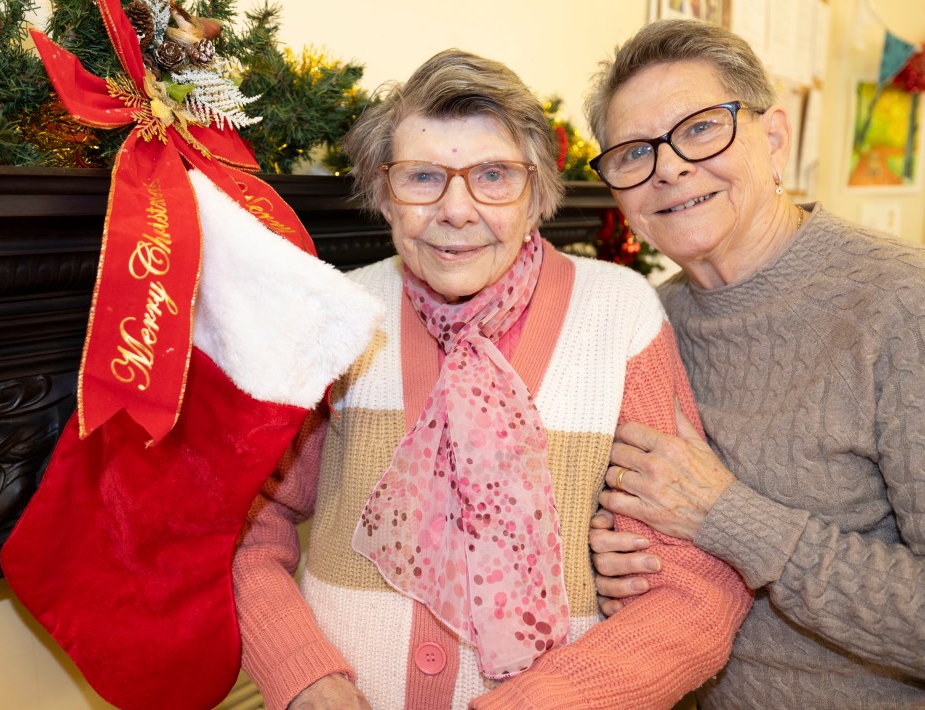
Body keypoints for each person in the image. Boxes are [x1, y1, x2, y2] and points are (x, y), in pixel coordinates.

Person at [232, 48, 751, 709]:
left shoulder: (620, 317)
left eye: (494, 176)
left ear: (536, 192)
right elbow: (245, 521)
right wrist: (303, 678)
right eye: (422, 177)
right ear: (382, 192)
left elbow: (693, 591)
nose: (456, 210)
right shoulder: (334, 319)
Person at [583, 19, 925, 708]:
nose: (670, 167)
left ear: (773, 139)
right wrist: (604, 563)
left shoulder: (900, 304)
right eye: (633, 153)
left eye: (701, 128)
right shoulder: (642, 323)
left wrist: (731, 518)